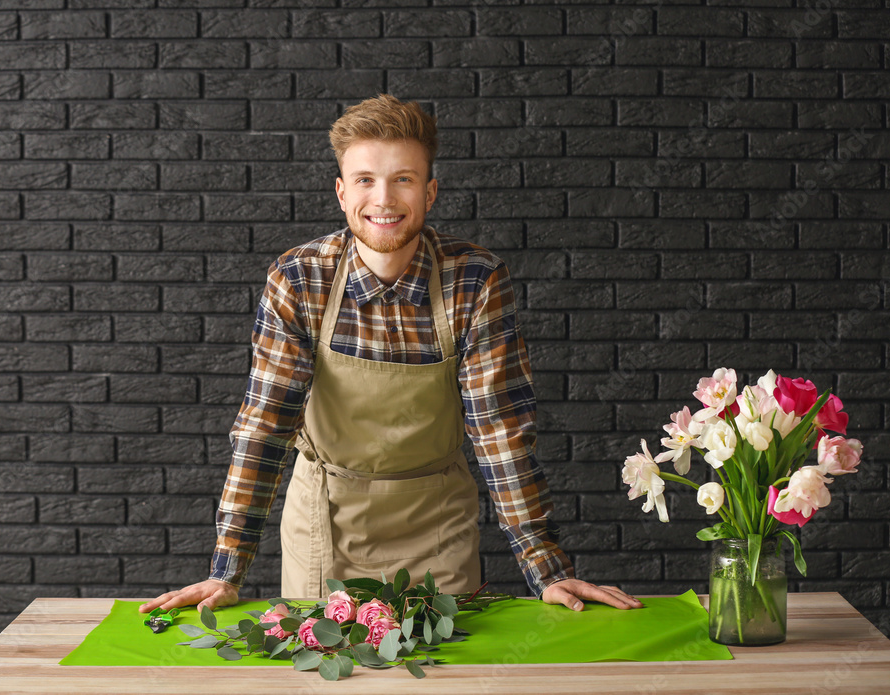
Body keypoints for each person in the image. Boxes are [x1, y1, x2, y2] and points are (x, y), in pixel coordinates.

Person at [140, 94, 643, 617]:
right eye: (364, 180)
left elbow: (501, 433)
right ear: (341, 192)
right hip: (325, 524)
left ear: (429, 191)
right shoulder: (298, 278)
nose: (383, 198)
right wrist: (226, 571)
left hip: (438, 530)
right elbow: (265, 427)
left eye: (403, 179)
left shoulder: (476, 281)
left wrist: (548, 570)